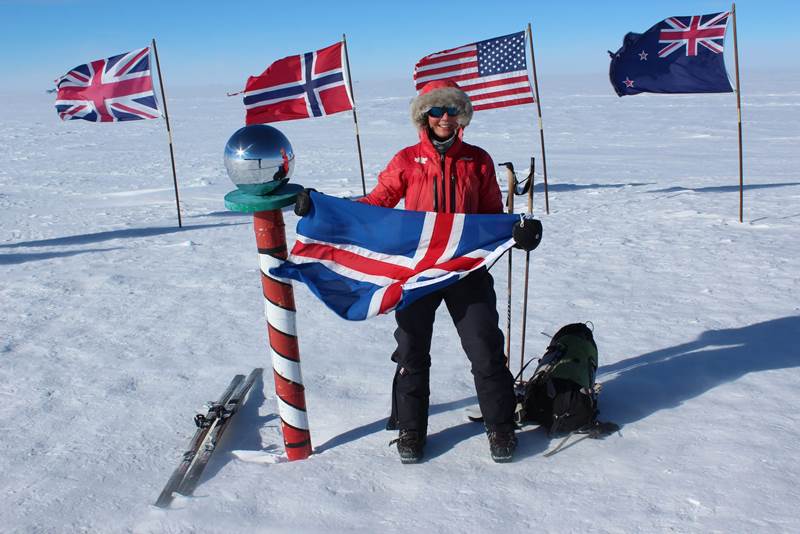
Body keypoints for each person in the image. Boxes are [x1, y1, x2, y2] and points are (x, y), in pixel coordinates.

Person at [295, 80, 541, 462]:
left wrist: (518, 230)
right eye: (437, 110)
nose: (445, 118)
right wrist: (322, 208)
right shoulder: (407, 160)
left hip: (465, 268)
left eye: (452, 110)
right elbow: (375, 204)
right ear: (424, 116)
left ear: (462, 116)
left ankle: (501, 426)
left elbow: (493, 213)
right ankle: (411, 430)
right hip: (417, 273)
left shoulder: (477, 159)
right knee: (411, 351)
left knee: (486, 350)